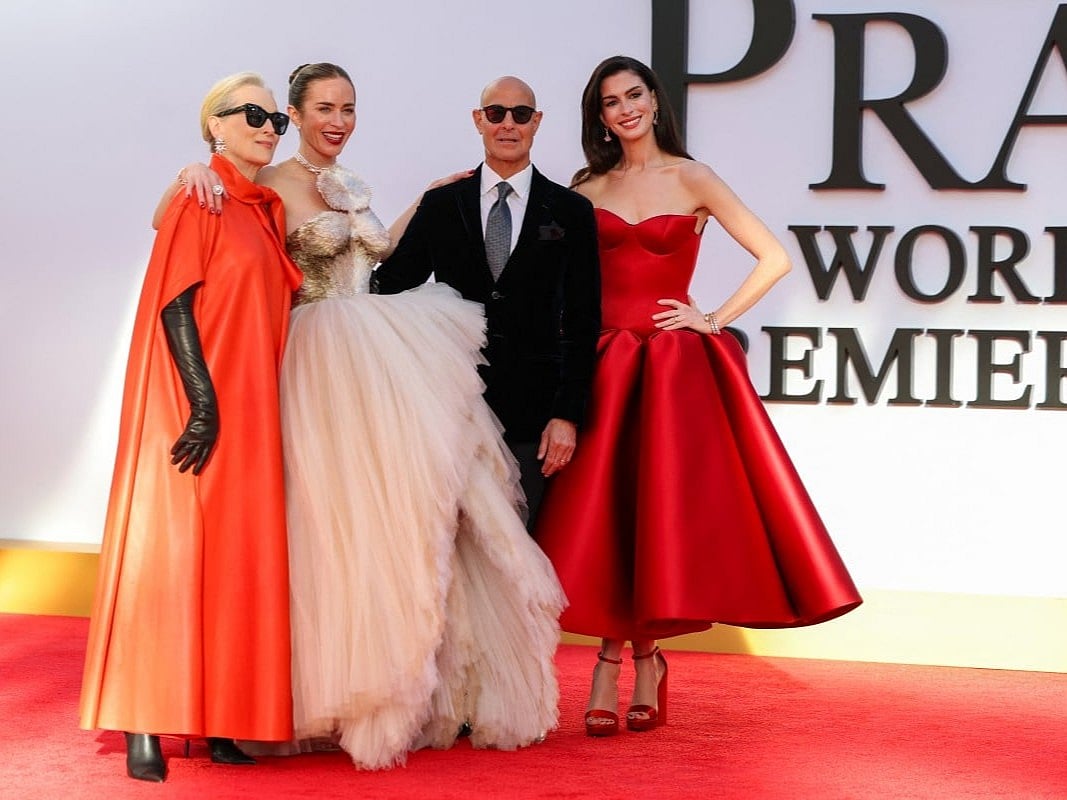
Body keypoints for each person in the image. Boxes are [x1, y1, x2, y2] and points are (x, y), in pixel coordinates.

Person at [161, 63, 565, 769]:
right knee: (324, 526)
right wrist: (187, 174)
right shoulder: (265, 182)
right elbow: (194, 227)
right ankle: (313, 691)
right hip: (313, 359)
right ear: (290, 114)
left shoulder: (350, 184)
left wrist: (419, 204)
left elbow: (372, 257)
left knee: (398, 522)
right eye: (322, 108)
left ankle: (407, 688)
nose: (338, 120)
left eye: (348, 107)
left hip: (373, 355)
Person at [533, 56, 863, 737]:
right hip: (602, 364)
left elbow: (773, 256)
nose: (623, 109)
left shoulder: (693, 176)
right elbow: (559, 285)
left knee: (655, 516)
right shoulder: (583, 186)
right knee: (606, 522)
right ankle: (623, 659)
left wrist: (711, 318)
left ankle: (627, 665)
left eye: (633, 95)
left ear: (654, 102)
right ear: (597, 116)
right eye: (608, 101)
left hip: (671, 372)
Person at [79, 72, 302, 782]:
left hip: (252, 410)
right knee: (169, 561)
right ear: (214, 124)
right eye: (253, 115)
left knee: (235, 563)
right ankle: (143, 718)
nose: (268, 127)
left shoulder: (263, 208)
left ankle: (221, 719)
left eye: (276, 118)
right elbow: (177, 301)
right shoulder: (197, 195)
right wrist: (203, 402)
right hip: (190, 407)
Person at [373, 76, 602, 529]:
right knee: (451, 543)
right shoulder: (441, 205)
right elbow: (390, 290)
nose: (508, 124)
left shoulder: (571, 211)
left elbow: (583, 318)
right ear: (479, 120)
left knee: (519, 547)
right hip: (454, 409)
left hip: (533, 417)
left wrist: (566, 415)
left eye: (521, 114)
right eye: (496, 113)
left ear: (536, 122)